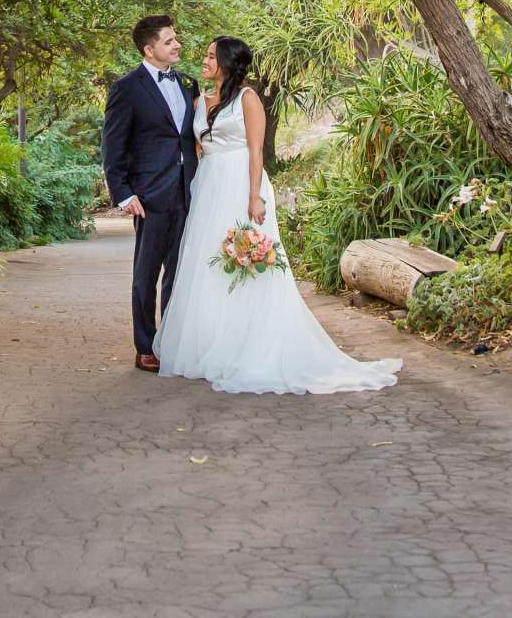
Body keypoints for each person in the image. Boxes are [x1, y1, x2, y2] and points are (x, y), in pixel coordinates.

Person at [153, 35, 401, 395]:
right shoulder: (198, 101)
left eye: (210, 56)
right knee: (207, 265)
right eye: (205, 55)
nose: (204, 61)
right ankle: (212, 345)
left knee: (247, 265)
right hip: (208, 187)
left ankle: (250, 345)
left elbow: (256, 151)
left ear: (227, 62)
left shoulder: (247, 99)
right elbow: (198, 148)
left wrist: (254, 196)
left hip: (241, 184)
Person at [99, 14, 200, 371]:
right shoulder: (127, 88)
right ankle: (145, 346)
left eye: (176, 39)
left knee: (178, 272)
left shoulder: (189, 84)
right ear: (149, 48)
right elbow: (113, 145)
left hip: (188, 192)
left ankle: (170, 342)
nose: (177, 45)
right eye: (169, 40)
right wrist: (124, 193)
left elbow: (189, 138)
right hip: (149, 196)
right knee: (146, 274)